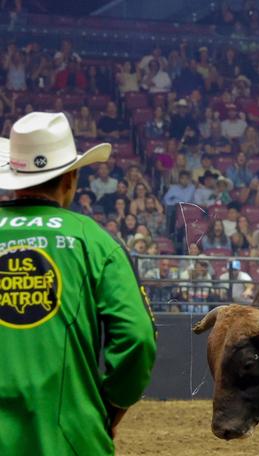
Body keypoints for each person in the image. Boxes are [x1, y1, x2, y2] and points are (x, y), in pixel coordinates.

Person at [0, 112, 156, 455]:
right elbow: (138, 338)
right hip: (70, 435)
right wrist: (112, 406)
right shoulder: (95, 241)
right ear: (71, 178)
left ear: (12, 176)